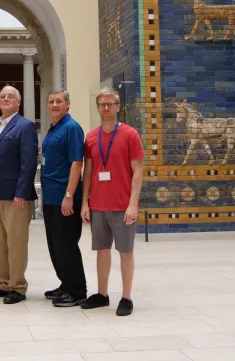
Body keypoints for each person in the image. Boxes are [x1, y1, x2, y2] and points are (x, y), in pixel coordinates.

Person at [80, 87, 144, 316]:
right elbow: (88, 171)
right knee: (102, 250)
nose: (106, 108)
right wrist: (85, 202)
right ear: (97, 108)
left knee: (125, 251)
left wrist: (133, 204)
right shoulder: (91, 137)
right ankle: (102, 294)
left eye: (110, 104)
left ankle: (126, 297)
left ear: (118, 107)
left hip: (122, 204)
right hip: (98, 204)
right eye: (101, 104)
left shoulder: (130, 135)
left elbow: (138, 171)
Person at [0, 86, 38, 304]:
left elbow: (29, 163)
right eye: (2, 96)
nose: (5, 99)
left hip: (15, 198)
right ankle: (3, 283)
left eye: (10, 96)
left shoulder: (25, 126)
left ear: (18, 102)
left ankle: (18, 286)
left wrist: (21, 192)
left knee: (16, 243)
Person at [40, 89, 88, 307]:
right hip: (51, 197)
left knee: (67, 244)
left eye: (59, 101)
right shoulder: (54, 128)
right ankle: (65, 283)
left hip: (65, 197)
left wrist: (69, 195)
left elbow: (77, 163)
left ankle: (77, 290)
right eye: (51, 101)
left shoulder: (72, 128)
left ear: (68, 104)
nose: (54, 104)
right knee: (55, 245)